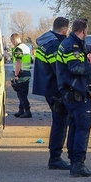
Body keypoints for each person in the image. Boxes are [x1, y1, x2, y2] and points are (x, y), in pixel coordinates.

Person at [56, 18, 91, 178]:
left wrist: (89, 49)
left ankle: (74, 161)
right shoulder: (72, 47)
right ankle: (78, 164)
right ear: (84, 31)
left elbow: (82, 49)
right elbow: (76, 67)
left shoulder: (70, 43)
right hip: (76, 93)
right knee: (83, 128)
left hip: (69, 93)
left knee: (74, 126)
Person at [32, 16, 71, 169]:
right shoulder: (54, 45)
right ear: (64, 29)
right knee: (60, 123)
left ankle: (55, 156)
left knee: (59, 122)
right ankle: (55, 158)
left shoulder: (45, 42)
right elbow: (59, 70)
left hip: (49, 88)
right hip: (56, 90)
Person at [9, 33, 33, 118]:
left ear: (14, 39)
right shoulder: (26, 47)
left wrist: (16, 75)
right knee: (23, 93)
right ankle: (21, 110)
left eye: (12, 41)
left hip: (21, 73)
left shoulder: (18, 49)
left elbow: (18, 63)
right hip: (27, 72)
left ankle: (27, 111)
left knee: (21, 94)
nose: (12, 43)